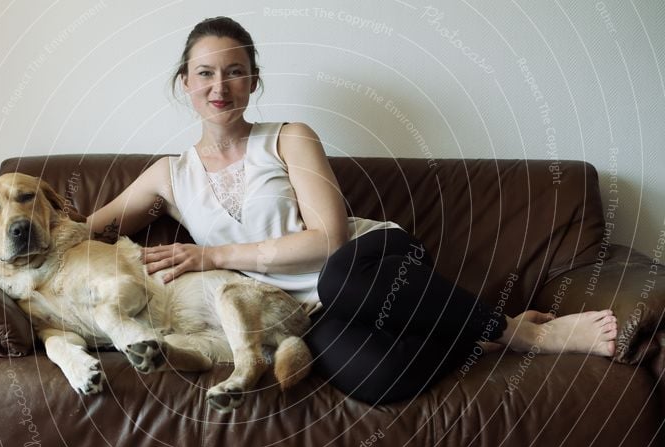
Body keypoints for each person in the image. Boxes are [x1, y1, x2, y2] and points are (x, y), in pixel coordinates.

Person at [86, 16, 617, 405]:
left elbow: (329, 240)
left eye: (235, 71)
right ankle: (473, 332)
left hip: (371, 264)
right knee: (377, 379)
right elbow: (88, 230)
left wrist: (213, 254)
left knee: (340, 275)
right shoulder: (166, 176)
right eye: (205, 73)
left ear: (253, 81)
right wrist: (10, 230)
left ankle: (525, 333)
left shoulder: (289, 137)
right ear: (186, 82)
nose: (219, 86)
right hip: (302, 308)